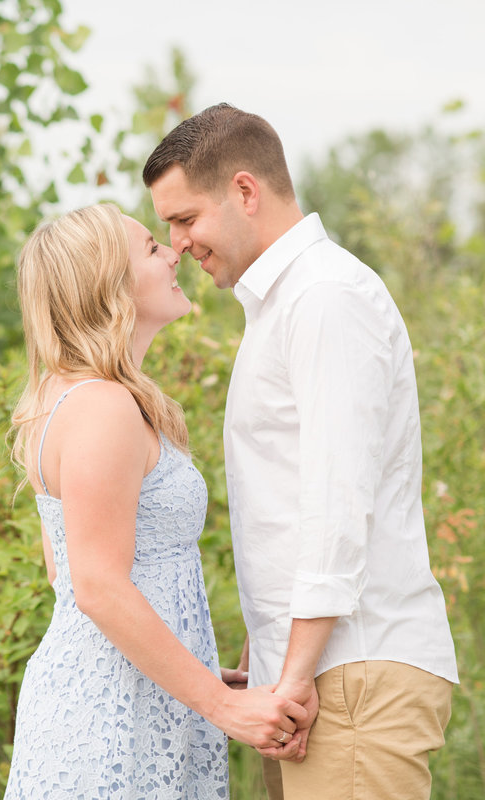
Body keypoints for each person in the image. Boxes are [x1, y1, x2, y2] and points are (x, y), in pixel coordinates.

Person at [143, 103, 459, 800]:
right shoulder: (282, 307)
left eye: (186, 218)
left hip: (351, 673)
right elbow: (286, 506)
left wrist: (291, 675)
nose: (177, 243)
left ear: (245, 192)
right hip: (312, 673)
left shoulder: (323, 299)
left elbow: (334, 502)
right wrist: (268, 662)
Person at [5, 203, 307, 799]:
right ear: (107, 284)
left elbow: (65, 574)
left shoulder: (74, 398)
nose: (174, 253)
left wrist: (190, 669)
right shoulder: (102, 409)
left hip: (127, 695)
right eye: (150, 248)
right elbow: (95, 586)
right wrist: (221, 704)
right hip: (108, 721)